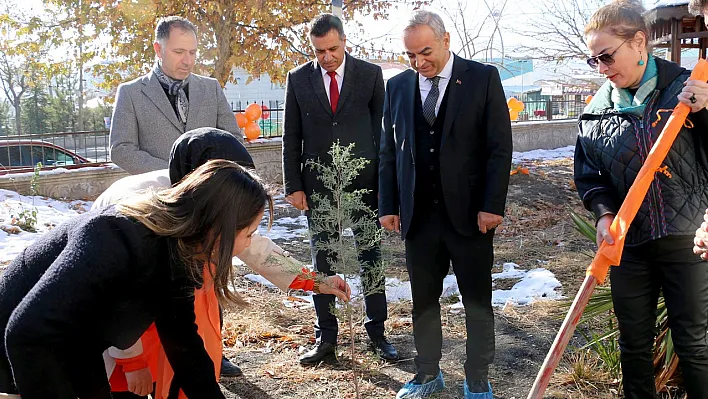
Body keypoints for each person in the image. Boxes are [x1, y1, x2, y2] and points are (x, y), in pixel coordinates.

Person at [0, 160, 349, 399]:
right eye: (248, 233)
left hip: (75, 352)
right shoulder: (115, 236)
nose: (247, 244)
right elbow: (27, 333)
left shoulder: (178, 256)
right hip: (15, 363)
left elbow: (185, 347)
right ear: (218, 227)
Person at [94, 128, 350, 398]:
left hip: (167, 315)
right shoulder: (141, 212)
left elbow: (254, 248)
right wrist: (131, 362)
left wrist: (315, 281)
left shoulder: (203, 204)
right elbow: (115, 299)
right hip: (118, 335)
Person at [575, 1, 708, 398]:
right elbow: (590, 177)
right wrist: (602, 215)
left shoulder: (687, 89)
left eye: (606, 56)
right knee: (633, 347)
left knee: (694, 347)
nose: (601, 68)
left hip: (688, 243)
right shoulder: (594, 114)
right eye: (593, 60)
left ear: (638, 42)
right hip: (629, 248)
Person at [378, 10, 512, 399]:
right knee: (423, 300)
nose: (419, 63)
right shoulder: (398, 86)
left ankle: (477, 377)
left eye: (425, 52)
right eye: (411, 56)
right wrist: (389, 204)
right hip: (418, 216)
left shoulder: (482, 78)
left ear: (446, 39)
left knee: (476, 299)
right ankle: (427, 373)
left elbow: (499, 148)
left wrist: (492, 205)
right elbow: (389, 151)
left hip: (471, 215)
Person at [282, 14, 397, 364]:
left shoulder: (369, 75)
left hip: (365, 186)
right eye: (319, 51)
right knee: (323, 262)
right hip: (317, 188)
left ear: (344, 41)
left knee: (371, 259)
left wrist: (384, 186)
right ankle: (326, 339)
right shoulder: (298, 79)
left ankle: (377, 334)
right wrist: (294, 185)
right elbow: (292, 135)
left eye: (332, 48)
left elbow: (384, 135)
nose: (327, 57)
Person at [109, 16, 242, 176]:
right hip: (157, 195)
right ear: (158, 49)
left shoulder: (211, 88)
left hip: (208, 194)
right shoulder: (130, 93)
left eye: (192, 52)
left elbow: (234, 140)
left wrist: (207, 175)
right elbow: (121, 150)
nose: (188, 61)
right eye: (179, 52)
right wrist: (174, 173)